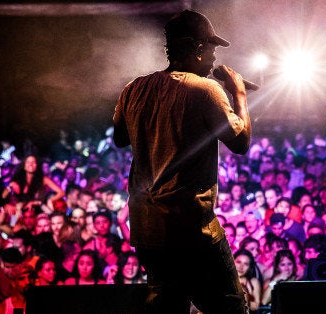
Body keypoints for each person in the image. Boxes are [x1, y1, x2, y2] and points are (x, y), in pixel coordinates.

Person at [112, 9, 251, 314]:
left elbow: (120, 138)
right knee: (230, 308)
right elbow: (240, 143)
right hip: (191, 228)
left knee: (169, 307)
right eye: (212, 48)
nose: (215, 56)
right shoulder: (205, 89)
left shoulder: (133, 88)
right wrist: (238, 93)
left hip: (148, 228)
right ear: (197, 49)